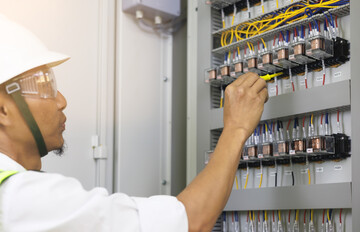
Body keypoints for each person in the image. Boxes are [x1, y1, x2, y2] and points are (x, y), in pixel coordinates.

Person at [0, 14, 268, 232]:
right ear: (2, 110)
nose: (61, 101)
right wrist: (236, 129)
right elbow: (191, 222)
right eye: (44, 87)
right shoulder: (21, 200)